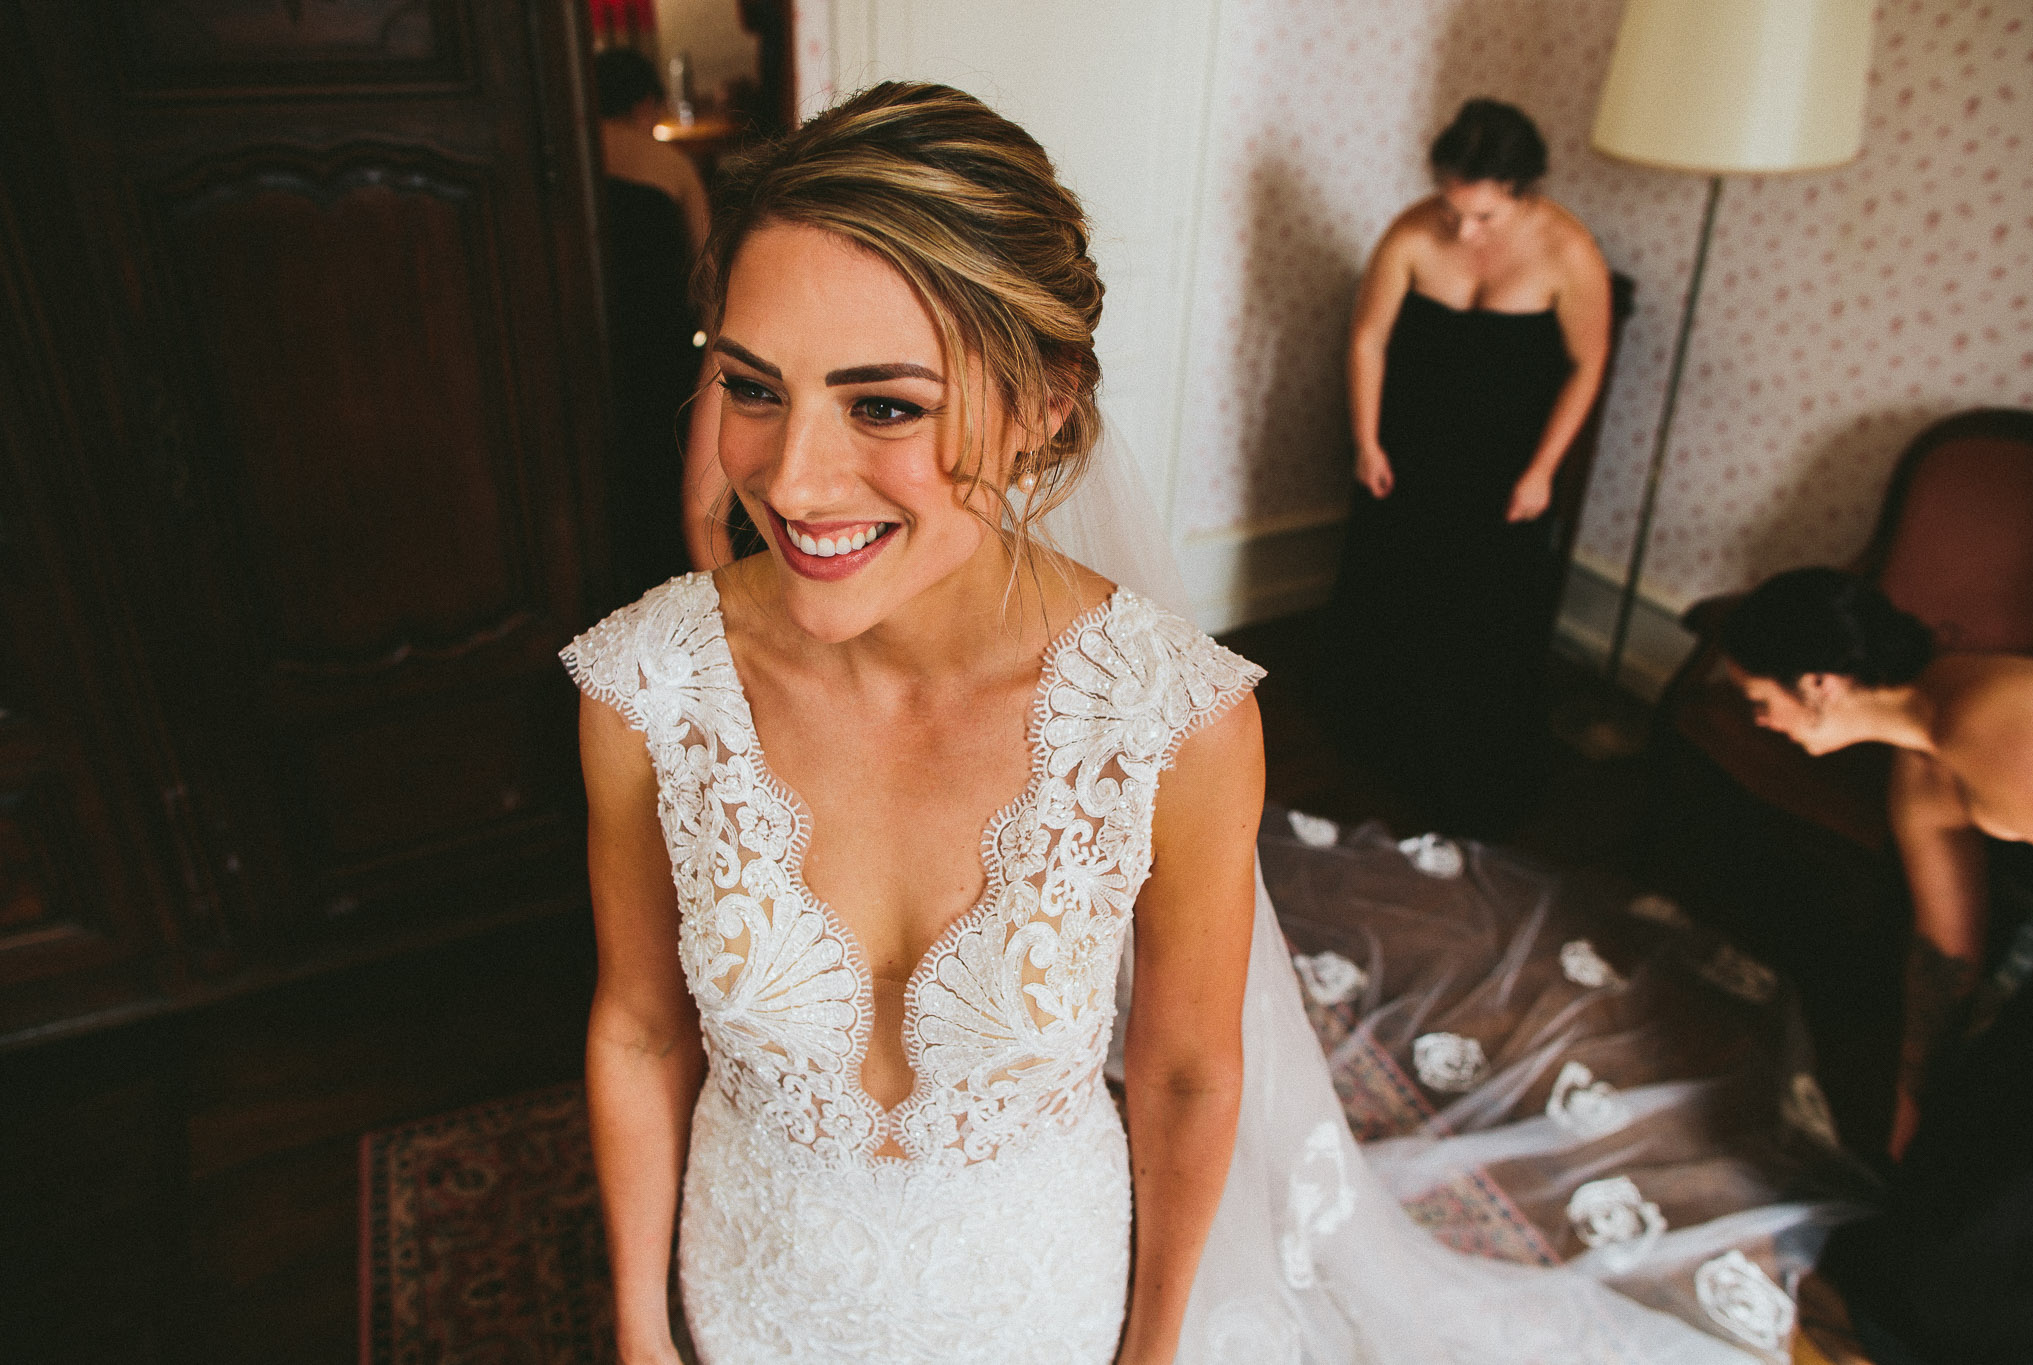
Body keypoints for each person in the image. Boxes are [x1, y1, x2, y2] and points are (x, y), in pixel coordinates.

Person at [567, 82, 1846, 1365]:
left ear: (1044, 401)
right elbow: (635, 1025)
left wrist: (1150, 1347)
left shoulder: (1167, 720)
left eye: (885, 404)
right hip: (754, 1282)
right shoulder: (646, 685)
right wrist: (638, 1329)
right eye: (751, 386)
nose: (790, 479)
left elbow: (1183, 1073)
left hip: (1036, 1298)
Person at [1722, 566, 2033, 1363]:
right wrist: (1913, 1101)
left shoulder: (1996, 722)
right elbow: (1945, 956)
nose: (1762, 721)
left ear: (1821, 683)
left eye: (1762, 699)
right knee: (1958, 1139)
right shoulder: (1924, 765)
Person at [1327, 98, 1611, 833]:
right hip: (1410, 449)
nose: (1462, 229)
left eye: (1483, 216)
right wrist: (1367, 440)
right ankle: (1381, 744)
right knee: (1395, 592)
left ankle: (1466, 770)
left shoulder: (1569, 251)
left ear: (1524, 190)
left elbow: (1587, 365)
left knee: (1485, 618)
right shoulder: (1412, 232)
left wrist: (1545, 468)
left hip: (1505, 465)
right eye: (1453, 208)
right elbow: (1369, 340)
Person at [594, 48, 716, 600]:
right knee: (662, 468)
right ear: (646, 101)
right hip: (661, 345)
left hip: (586, 341)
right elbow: (707, 267)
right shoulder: (667, 165)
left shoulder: (570, 157)